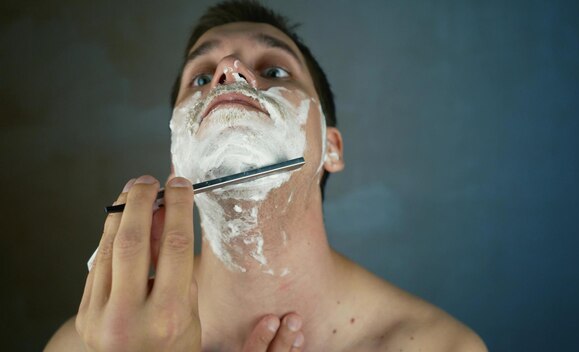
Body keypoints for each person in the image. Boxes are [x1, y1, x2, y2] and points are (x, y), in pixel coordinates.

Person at [46, 1, 487, 351]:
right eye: (201, 79)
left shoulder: (438, 346)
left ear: (331, 146)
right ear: (176, 159)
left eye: (274, 71)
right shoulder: (93, 344)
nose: (229, 71)